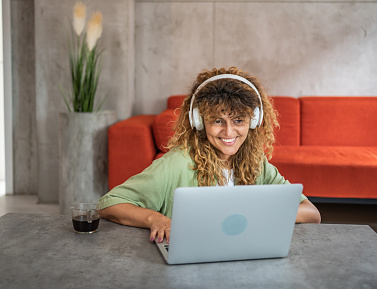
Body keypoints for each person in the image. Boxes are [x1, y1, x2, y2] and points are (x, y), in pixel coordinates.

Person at [99, 67, 321, 243]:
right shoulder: (177, 163)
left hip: (242, 252)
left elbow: (311, 213)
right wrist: (155, 218)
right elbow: (109, 204)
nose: (228, 132)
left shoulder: (256, 164)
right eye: (217, 121)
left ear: (253, 122)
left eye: (238, 120)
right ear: (199, 121)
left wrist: (261, 215)